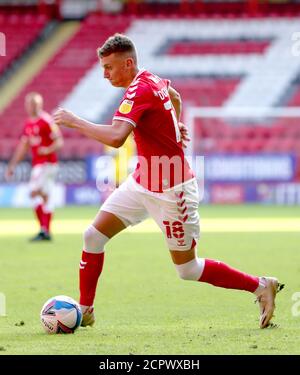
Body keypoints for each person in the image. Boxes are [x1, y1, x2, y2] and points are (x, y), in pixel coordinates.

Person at [53, 34, 283, 328]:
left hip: (173, 191)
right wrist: (174, 125)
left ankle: (261, 285)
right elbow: (174, 97)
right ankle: (85, 310)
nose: (104, 74)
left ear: (128, 63)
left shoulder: (137, 91)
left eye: (109, 67)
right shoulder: (152, 79)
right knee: (93, 236)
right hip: (141, 183)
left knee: (187, 269)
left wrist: (75, 121)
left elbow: (116, 137)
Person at [5, 92, 63, 241]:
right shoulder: (28, 123)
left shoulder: (46, 121)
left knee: (33, 192)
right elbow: (23, 146)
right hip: (39, 164)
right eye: (30, 104)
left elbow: (59, 142)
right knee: (44, 196)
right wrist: (12, 166)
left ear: (40, 105)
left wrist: (47, 150)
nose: (32, 107)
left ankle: (44, 230)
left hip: (47, 164)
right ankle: (45, 230)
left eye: (35, 104)